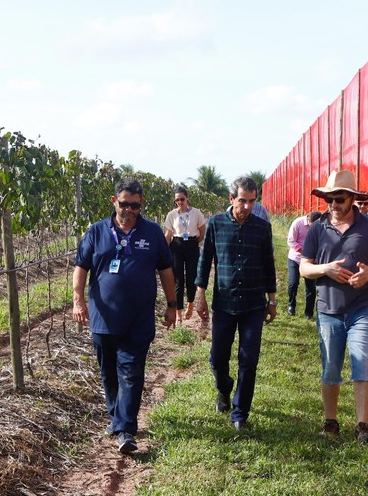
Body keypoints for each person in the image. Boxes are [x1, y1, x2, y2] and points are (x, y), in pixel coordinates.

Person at [73, 177, 178, 454]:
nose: (129, 210)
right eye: (124, 204)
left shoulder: (153, 233)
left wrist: (172, 303)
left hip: (139, 317)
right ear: (114, 202)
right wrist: (78, 301)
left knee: (131, 370)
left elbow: (166, 270)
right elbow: (81, 267)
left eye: (134, 206)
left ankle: (125, 429)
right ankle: (118, 417)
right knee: (108, 372)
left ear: (141, 204)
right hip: (104, 317)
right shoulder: (96, 232)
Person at [300, 170, 368, 443]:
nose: (333, 205)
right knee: (331, 367)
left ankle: (363, 425)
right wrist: (325, 269)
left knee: (362, 361)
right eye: (329, 199)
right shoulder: (317, 229)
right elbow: (304, 268)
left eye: (339, 199)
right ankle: (331, 421)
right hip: (328, 309)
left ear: (352, 199)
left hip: (362, 308)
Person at [194, 176, 277, 430]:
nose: (247, 206)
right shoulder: (217, 225)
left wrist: (272, 299)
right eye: (243, 200)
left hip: (253, 303)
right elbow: (205, 259)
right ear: (231, 199)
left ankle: (240, 413)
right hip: (224, 302)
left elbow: (268, 265)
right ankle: (224, 387)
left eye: (252, 201)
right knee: (218, 356)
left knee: (248, 358)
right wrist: (200, 295)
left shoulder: (262, 228)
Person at [163, 186, 208, 327]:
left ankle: (190, 303)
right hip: (176, 246)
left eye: (182, 199)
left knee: (191, 277)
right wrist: (164, 249)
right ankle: (178, 313)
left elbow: (202, 231)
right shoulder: (172, 215)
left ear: (187, 198)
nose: (180, 202)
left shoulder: (196, 213)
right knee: (178, 280)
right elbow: (168, 234)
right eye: (177, 200)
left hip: (192, 245)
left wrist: (194, 244)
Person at [287, 210, 322, 318]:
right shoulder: (297, 223)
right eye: (311, 226)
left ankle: (309, 312)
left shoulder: (321, 226)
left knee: (311, 288)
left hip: (312, 261)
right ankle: (291, 305)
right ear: (308, 219)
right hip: (296, 258)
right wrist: (304, 251)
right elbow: (291, 241)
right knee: (293, 283)